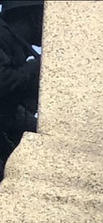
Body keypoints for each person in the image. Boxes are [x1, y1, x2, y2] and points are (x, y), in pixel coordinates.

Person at [0, 0, 42, 183]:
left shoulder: (15, 42)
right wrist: (37, 68)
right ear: (34, 17)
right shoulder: (2, 36)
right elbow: (3, 81)